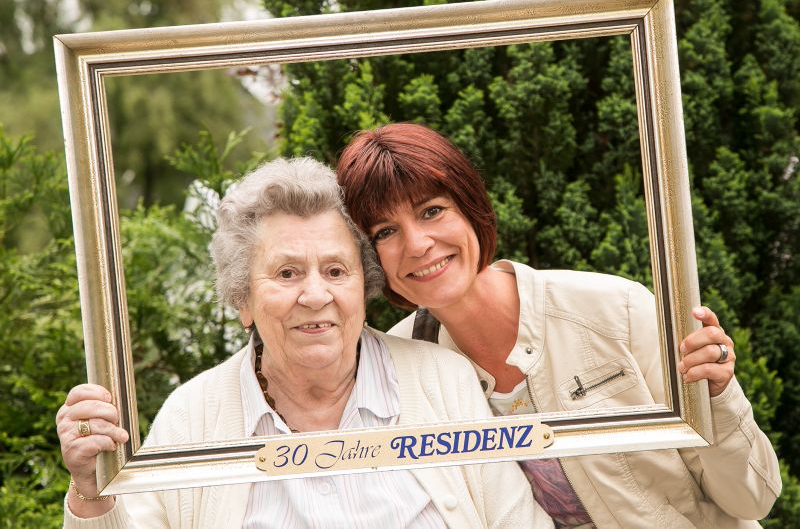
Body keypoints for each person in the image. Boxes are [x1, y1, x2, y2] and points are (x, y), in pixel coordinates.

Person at [56, 157, 552, 528]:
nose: (316, 296)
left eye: (336, 271)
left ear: (364, 287)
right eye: (287, 273)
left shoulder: (442, 381)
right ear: (243, 300)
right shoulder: (193, 417)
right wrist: (92, 493)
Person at [337, 122, 782, 528]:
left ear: (470, 206)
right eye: (385, 231)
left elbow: (752, 498)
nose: (417, 244)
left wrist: (718, 396)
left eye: (432, 211)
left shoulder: (615, 310)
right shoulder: (396, 368)